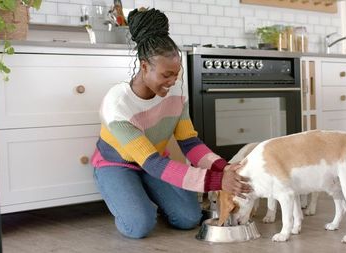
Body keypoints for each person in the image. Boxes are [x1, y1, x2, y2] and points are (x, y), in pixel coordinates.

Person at [91, 7, 252, 239]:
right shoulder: (117, 105)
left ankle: (148, 193)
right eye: (166, 75)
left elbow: (190, 142)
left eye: (176, 74)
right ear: (144, 66)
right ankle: (134, 199)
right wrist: (217, 181)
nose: (172, 81)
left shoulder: (175, 92)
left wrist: (222, 167)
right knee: (138, 226)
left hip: (154, 164)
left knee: (189, 218)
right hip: (117, 165)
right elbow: (154, 164)